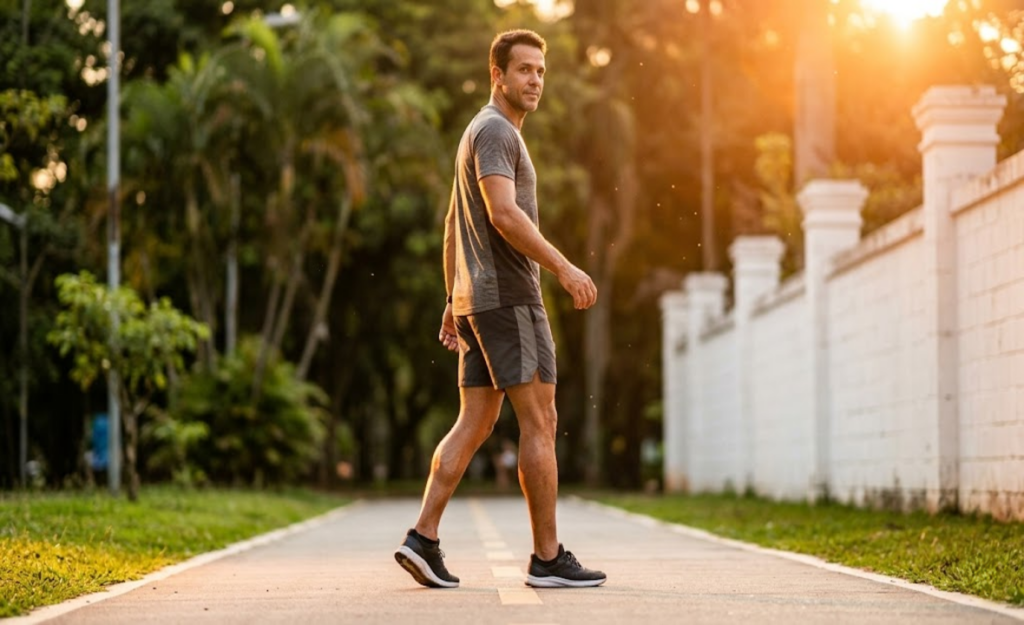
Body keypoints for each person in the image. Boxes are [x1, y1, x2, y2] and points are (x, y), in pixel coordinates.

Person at [394, 29, 606, 590]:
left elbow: (451, 226)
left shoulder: (481, 133)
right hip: (509, 297)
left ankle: (423, 538)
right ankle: (547, 557)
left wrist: (451, 298)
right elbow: (504, 215)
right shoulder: (494, 130)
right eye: (524, 70)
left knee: (478, 420)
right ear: (498, 75)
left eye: (541, 70)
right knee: (542, 420)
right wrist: (565, 268)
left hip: (475, 299)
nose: (535, 80)